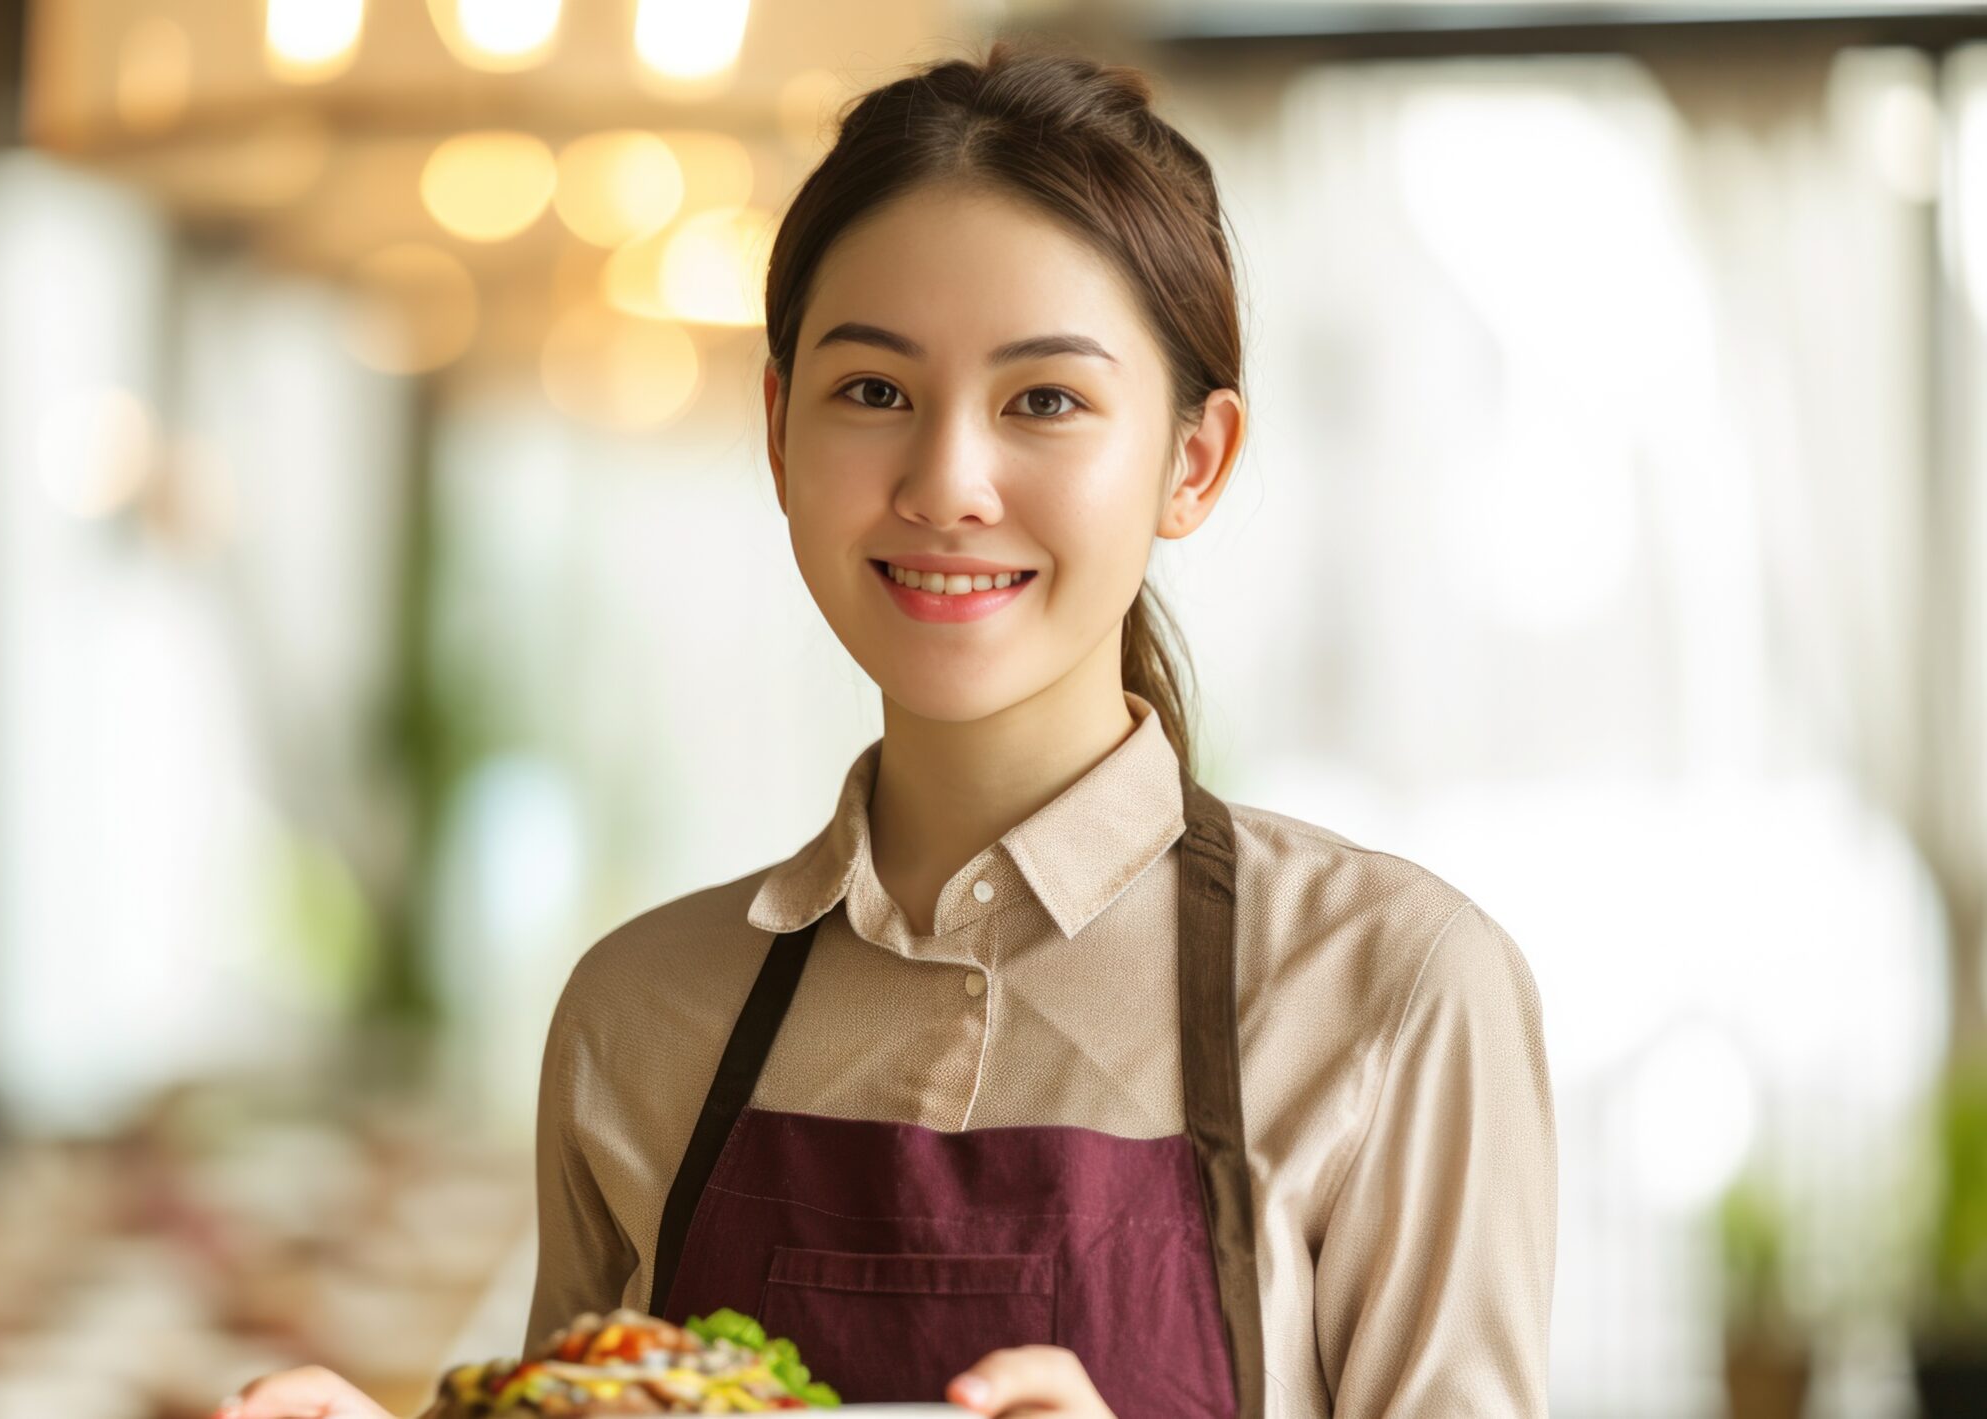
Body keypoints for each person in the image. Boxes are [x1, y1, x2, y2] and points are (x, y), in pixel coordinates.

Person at [229, 40, 1555, 1419]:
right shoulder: (636, 1016)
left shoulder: (1391, 992)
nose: (947, 481)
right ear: (779, 431)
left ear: (1193, 462)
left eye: (1045, 400)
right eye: (873, 392)